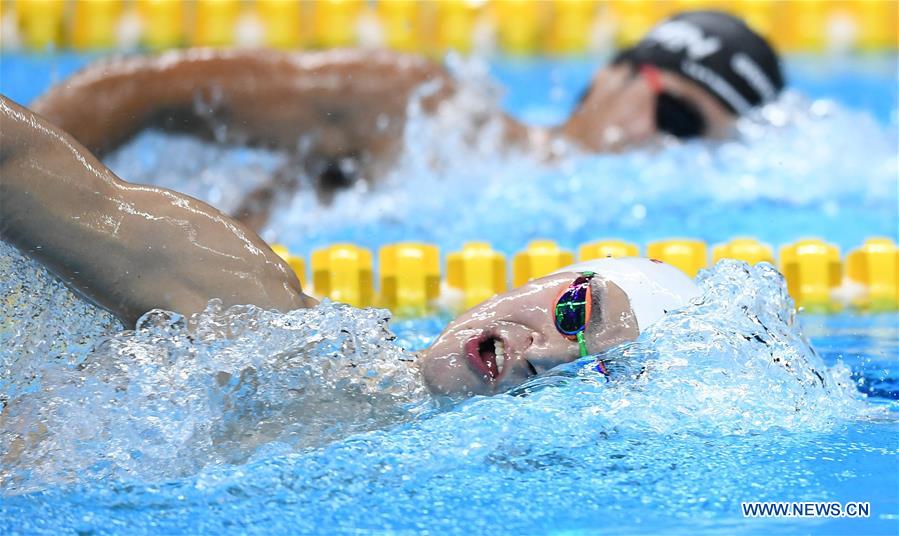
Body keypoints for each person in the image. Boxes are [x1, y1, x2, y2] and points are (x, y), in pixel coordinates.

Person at [1, 94, 698, 400]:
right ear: (549, 277)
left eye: (589, 376)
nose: (547, 356)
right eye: (574, 315)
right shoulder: (254, 314)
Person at [30, 10, 783, 229]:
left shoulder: (630, 229)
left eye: (700, 144)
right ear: (614, 73)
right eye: (677, 115)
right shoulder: (420, 109)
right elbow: (138, 89)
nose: (665, 146)